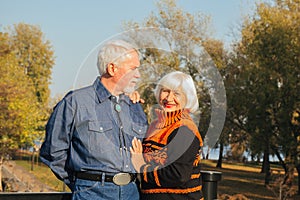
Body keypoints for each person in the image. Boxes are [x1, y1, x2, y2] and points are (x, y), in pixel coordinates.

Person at [40, 39, 148, 200]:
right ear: (112, 68)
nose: (138, 75)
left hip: (131, 193)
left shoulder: (135, 106)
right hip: (91, 193)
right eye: (133, 69)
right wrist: (83, 183)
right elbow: (52, 151)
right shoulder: (75, 102)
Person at [130, 71, 204, 200]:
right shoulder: (154, 126)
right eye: (165, 91)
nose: (169, 98)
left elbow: (177, 175)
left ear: (188, 98)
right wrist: (129, 103)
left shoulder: (185, 130)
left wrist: (141, 166)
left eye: (177, 93)